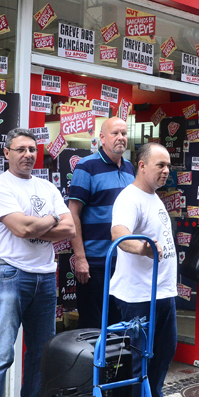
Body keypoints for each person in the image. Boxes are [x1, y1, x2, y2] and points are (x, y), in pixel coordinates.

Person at [0, 129, 76, 397]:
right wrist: (50, 218)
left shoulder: (46, 187)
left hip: (45, 275)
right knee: (1, 350)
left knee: (40, 351)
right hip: (9, 273)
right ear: (7, 153)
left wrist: (37, 224)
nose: (28, 155)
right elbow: (21, 228)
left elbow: (70, 228)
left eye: (32, 149)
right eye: (20, 149)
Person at [110, 143, 183, 397]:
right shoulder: (130, 198)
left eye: (168, 166)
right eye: (160, 165)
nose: (166, 171)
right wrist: (141, 248)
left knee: (164, 351)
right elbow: (119, 234)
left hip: (162, 292)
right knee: (138, 357)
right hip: (137, 295)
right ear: (141, 165)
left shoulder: (154, 197)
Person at [68, 117, 135, 329]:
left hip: (124, 262)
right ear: (102, 138)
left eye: (124, 133)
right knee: (93, 327)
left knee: (119, 326)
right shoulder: (86, 166)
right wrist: (80, 258)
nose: (121, 138)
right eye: (115, 133)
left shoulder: (130, 168)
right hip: (95, 264)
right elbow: (73, 214)